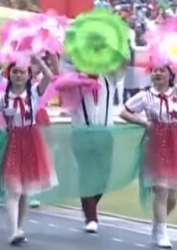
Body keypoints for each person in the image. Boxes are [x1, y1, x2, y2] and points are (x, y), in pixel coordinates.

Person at [119, 64, 177, 249]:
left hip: (176, 143)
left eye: (162, 70)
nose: (157, 73)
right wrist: (143, 122)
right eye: (155, 70)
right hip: (155, 143)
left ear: (171, 74)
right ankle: (162, 233)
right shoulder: (145, 96)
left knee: (173, 195)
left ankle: (157, 225)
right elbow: (124, 112)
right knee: (161, 190)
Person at [0, 60, 56, 245]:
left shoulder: (34, 93)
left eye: (22, 72)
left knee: (25, 192)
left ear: (29, 75)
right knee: (14, 190)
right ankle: (12, 231)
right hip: (12, 142)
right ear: (8, 74)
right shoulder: (0, 98)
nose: (18, 75)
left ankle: (20, 229)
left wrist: (37, 59)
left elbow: (49, 77)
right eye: (15, 72)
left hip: (31, 142)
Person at [63, 64, 125, 234]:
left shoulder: (109, 77)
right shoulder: (75, 79)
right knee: (87, 175)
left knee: (103, 177)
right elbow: (61, 86)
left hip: (104, 134)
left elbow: (123, 62)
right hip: (82, 134)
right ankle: (91, 217)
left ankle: (88, 205)